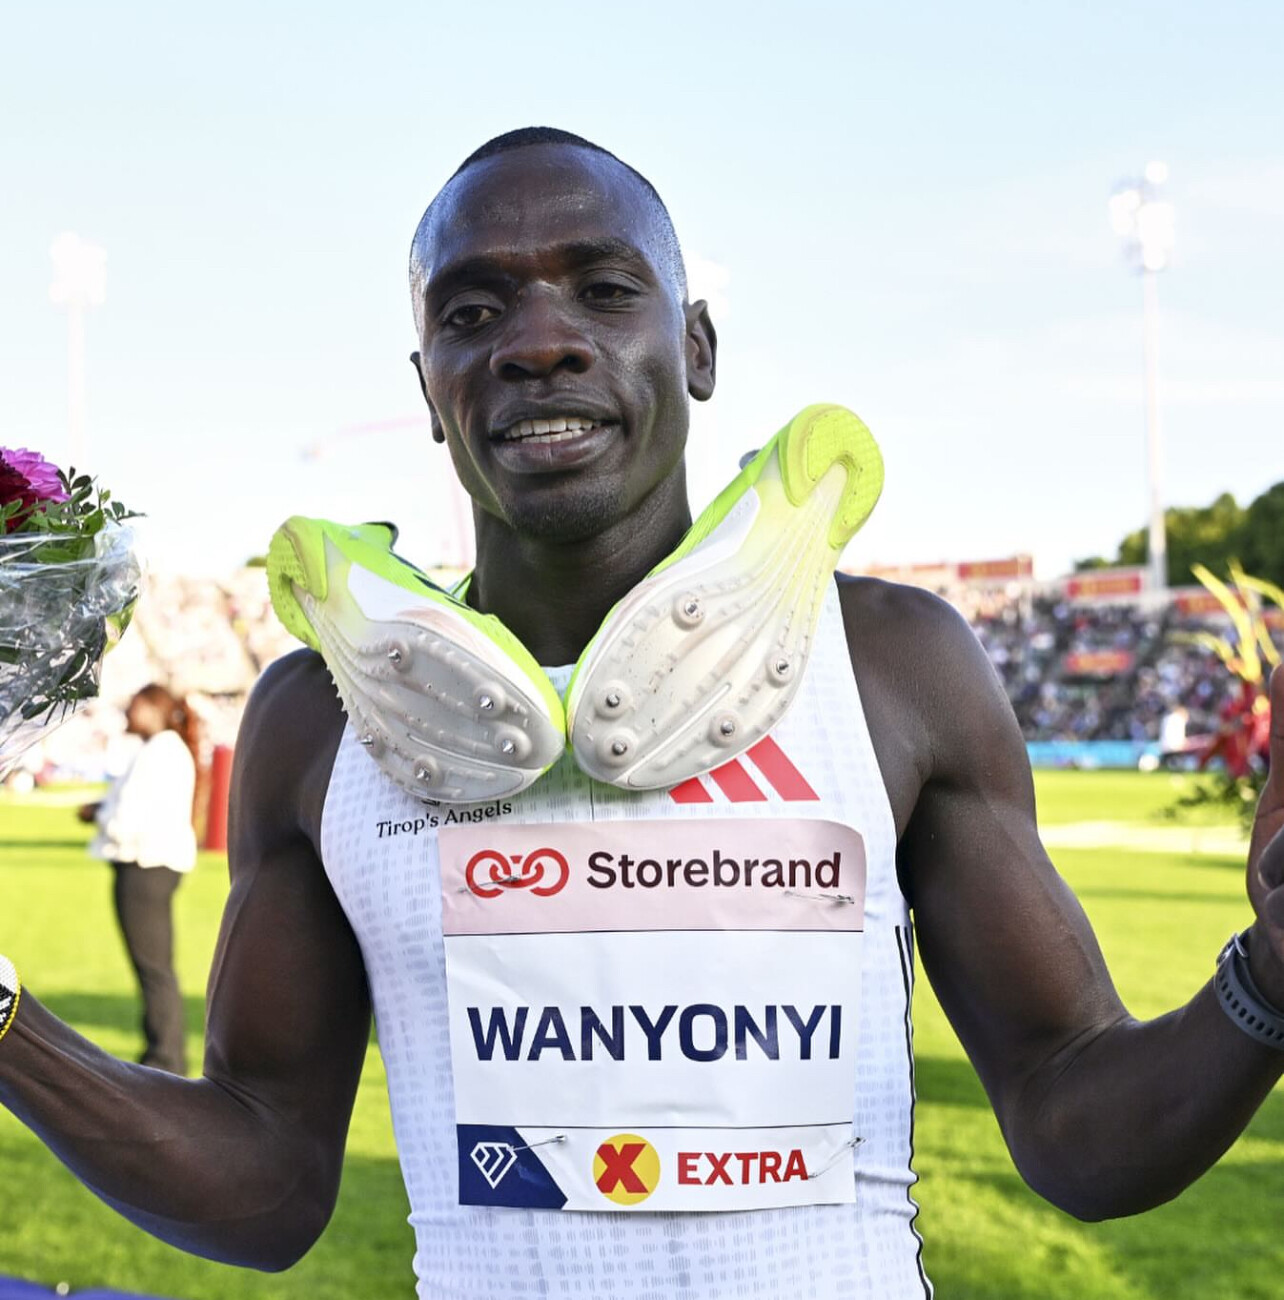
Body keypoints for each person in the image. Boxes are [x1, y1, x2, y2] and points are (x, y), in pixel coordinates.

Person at [1, 128, 1283, 1300]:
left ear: (699, 347)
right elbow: (266, 1181)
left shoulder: (893, 665)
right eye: (473, 312)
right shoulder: (321, 717)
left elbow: (1075, 1124)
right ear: (431, 384)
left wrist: (1267, 981)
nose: (539, 342)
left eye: (606, 291)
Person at [78, 684, 201, 1075]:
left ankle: (164, 1057)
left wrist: (97, 815)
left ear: (152, 709)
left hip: (144, 867)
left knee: (153, 969)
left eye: (134, 706)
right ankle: (163, 1054)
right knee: (155, 968)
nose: (127, 714)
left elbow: (126, 820)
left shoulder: (159, 752)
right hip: (152, 867)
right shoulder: (163, 750)